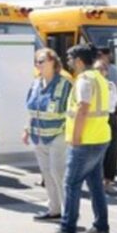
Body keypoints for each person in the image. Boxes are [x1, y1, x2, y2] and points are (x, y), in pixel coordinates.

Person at [42, 44, 113, 233]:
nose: (69, 62)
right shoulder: (99, 77)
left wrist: (75, 137)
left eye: (71, 59)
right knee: (96, 185)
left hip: (85, 141)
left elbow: (83, 108)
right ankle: (101, 229)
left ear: (79, 61)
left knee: (71, 184)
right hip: (100, 138)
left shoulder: (83, 80)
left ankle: (67, 231)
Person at [24, 49, 72, 220]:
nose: (38, 64)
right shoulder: (35, 84)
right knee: (46, 173)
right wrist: (27, 129)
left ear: (53, 62)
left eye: (42, 61)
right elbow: (31, 109)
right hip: (38, 136)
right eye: (37, 61)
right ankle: (54, 209)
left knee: (58, 173)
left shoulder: (64, 84)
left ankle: (69, 213)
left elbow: (71, 112)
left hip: (58, 135)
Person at [95, 59, 117, 193]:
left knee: (112, 150)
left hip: (110, 118)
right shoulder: (90, 85)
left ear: (106, 72)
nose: (100, 72)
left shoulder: (111, 85)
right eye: (97, 69)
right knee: (98, 151)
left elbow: (116, 105)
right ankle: (96, 180)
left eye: (102, 69)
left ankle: (108, 181)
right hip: (97, 118)